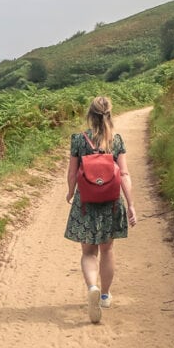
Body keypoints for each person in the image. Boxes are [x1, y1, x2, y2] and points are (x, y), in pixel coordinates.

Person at [64, 95, 137, 323]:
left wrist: (70, 191)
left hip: (86, 202)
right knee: (107, 250)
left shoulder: (79, 140)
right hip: (111, 201)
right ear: (110, 114)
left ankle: (92, 287)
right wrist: (131, 204)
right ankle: (104, 295)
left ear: (90, 114)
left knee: (88, 252)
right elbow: (124, 174)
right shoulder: (116, 140)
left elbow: (71, 172)